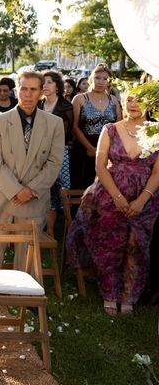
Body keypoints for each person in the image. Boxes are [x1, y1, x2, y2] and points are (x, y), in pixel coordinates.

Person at [66, 93, 159, 315]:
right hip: (110, 196)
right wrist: (118, 197)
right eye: (130, 100)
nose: (134, 104)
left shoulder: (156, 133)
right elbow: (100, 166)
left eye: (139, 100)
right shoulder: (111, 129)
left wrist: (142, 199)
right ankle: (109, 293)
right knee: (110, 244)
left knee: (136, 246)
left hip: (145, 200)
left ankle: (129, 295)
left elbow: (157, 171)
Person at [0, 71, 65, 271]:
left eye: (33, 89)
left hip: (34, 197)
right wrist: (16, 190)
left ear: (41, 92)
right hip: (3, 194)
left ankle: (28, 298)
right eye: (23, 89)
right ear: (17, 91)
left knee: (27, 253)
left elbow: (54, 162)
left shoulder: (54, 123)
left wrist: (30, 190)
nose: (27, 94)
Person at [71, 64, 122, 189]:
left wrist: (107, 149)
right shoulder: (80, 98)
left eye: (105, 79)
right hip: (83, 147)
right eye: (97, 77)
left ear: (109, 82)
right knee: (82, 185)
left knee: (104, 187)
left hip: (108, 149)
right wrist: (90, 148)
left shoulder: (114, 100)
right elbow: (74, 126)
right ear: (91, 79)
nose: (101, 81)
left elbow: (118, 126)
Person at [38, 70, 74, 230]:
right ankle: (46, 226)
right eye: (43, 82)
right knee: (44, 185)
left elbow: (67, 132)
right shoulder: (38, 104)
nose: (45, 85)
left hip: (61, 151)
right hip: (39, 152)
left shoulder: (66, 106)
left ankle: (68, 224)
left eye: (49, 82)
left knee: (63, 187)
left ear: (57, 86)